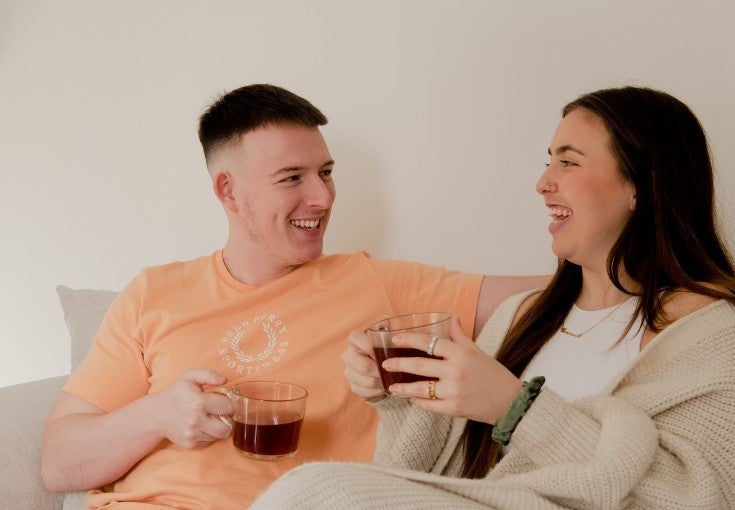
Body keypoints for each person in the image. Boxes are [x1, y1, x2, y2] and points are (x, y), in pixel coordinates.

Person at [40, 83, 548, 508]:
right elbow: (59, 463)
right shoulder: (154, 292)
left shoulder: (375, 284)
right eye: (292, 178)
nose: (323, 197)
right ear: (228, 191)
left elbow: (550, 295)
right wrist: (156, 415)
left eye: (326, 172)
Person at [250, 86, 735, 509]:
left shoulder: (711, 333)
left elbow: (696, 497)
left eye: (568, 162)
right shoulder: (522, 316)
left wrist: (516, 408)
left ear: (642, 185)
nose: (543, 184)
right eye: (549, 163)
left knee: (314, 492)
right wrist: (398, 398)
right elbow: (437, 481)